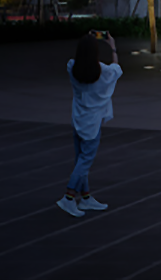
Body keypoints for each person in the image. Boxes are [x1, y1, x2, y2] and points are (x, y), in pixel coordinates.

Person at [60, 32, 122, 217]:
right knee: (84, 162)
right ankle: (69, 197)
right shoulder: (102, 72)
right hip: (93, 123)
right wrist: (112, 46)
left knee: (81, 160)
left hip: (77, 120)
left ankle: (85, 198)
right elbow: (117, 68)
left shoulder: (72, 67)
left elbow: (78, 62)